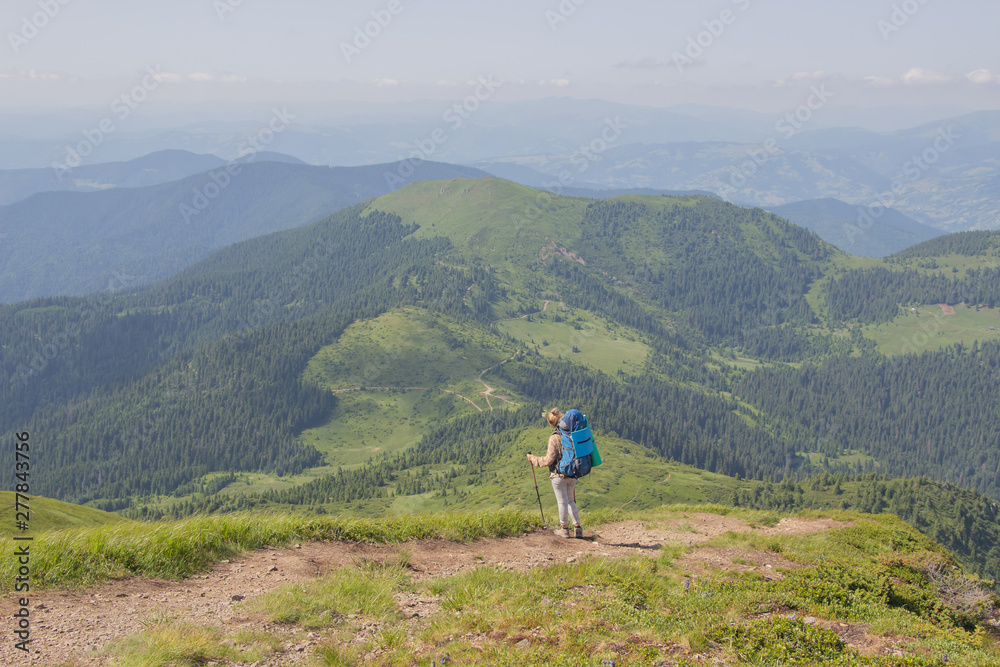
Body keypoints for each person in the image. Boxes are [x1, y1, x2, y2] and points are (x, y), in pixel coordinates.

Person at [527, 408, 583, 538]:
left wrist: (533, 459)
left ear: (551, 423)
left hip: (558, 475)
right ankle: (578, 528)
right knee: (570, 501)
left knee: (562, 502)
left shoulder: (554, 437)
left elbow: (548, 460)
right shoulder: (571, 435)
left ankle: (564, 529)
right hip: (572, 474)